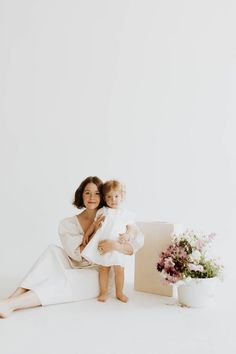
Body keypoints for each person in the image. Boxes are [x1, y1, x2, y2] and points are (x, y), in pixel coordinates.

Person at [0, 176, 144, 318]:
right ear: (81, 195)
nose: (92, 197)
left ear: (104, 196)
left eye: (97, 193)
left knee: (68, 280)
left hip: (100, 272)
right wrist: (94, 232)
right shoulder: (68, 224)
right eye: (87, 192)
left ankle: (13, 304)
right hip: (77, 262)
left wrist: (115, 245)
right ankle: (10, 299)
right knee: (52, 251)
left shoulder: (117, 217)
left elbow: (136, 243)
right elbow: (77, 255)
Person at [81, 180, 134, 302]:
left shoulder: (125, 214)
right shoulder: (103, 211)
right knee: (103, 269)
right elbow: (94, 225)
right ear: (104, 198)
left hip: (118, 246)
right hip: (103, 245)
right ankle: (103, 292)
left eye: (116, 196)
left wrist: (127, 235)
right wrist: (87, 234)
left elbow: (131, 228)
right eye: (109, 196)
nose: (113, 199)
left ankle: (119, 293)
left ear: (122, 196)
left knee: (119, 270)